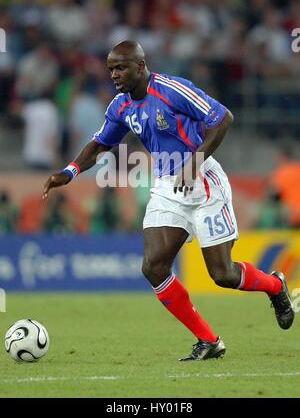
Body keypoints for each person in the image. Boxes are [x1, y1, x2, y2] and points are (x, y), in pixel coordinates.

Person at [43, 40, 294, 361]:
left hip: (204, 182)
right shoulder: (120, 106)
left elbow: (223, 118)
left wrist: (196, 160)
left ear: (140, 66)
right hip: (167, 187)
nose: (114, 75)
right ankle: (209, 340)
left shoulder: (173, 89)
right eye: (110, 69)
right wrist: (70, 170)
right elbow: (99, 143)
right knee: (153, 266)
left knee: (223, 275)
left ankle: (274, 286)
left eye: (121, 67)